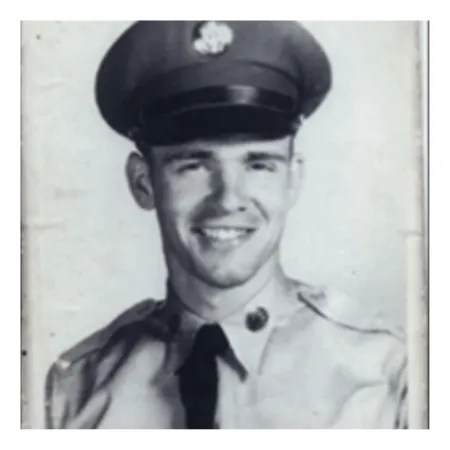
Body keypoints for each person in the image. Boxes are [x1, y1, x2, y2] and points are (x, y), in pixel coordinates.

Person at [44, 21, 407, 429]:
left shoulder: (389, 376)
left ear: (293, 179)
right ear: (143, 182)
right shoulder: (77, 388)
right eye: (194, 165)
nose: (229, 198)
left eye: (258, 165)